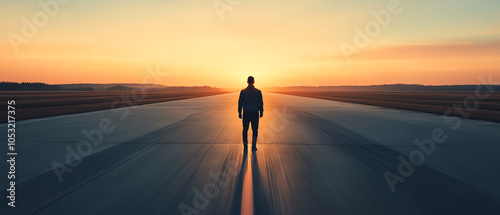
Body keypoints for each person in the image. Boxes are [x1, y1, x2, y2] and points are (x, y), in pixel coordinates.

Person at [238, 76, 263, 151]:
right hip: (255, 113)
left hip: (246, 113)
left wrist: (240, 112)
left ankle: (245, 146)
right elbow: (261, 103)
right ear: (254, 82)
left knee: (245, 129)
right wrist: (261, 111)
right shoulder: (258, 92)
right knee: (255, 129)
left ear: (247, 82)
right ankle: (254, 145)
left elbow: (240, 103)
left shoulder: (243, 92)